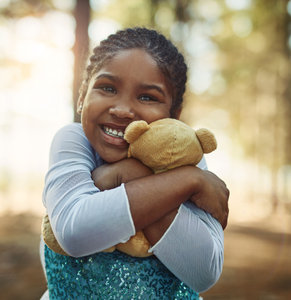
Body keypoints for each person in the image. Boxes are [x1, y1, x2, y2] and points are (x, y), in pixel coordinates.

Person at [40, 27, 229, 299]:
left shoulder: (186, 158)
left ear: (174, 114)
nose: (122, 110)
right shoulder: (73, 140)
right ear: (82, 96)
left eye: (147, 97)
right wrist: (186, 182)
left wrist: (124, 178)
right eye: (107, 88)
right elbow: (74, 232)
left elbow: (204, 272)